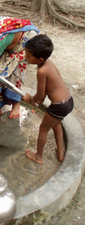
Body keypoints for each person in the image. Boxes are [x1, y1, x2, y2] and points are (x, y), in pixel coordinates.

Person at [22, 34, 74, 164]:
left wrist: (31, 100)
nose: (25, 57)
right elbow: (45, 93)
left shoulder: (42, 71)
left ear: (39, 59)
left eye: (28, 56)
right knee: (56, 124)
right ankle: (60, 152)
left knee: (43, 129)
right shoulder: (48, 63)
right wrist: (37, 101)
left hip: (58, 106)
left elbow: (40, 95)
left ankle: (38, 156)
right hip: (68, 101)